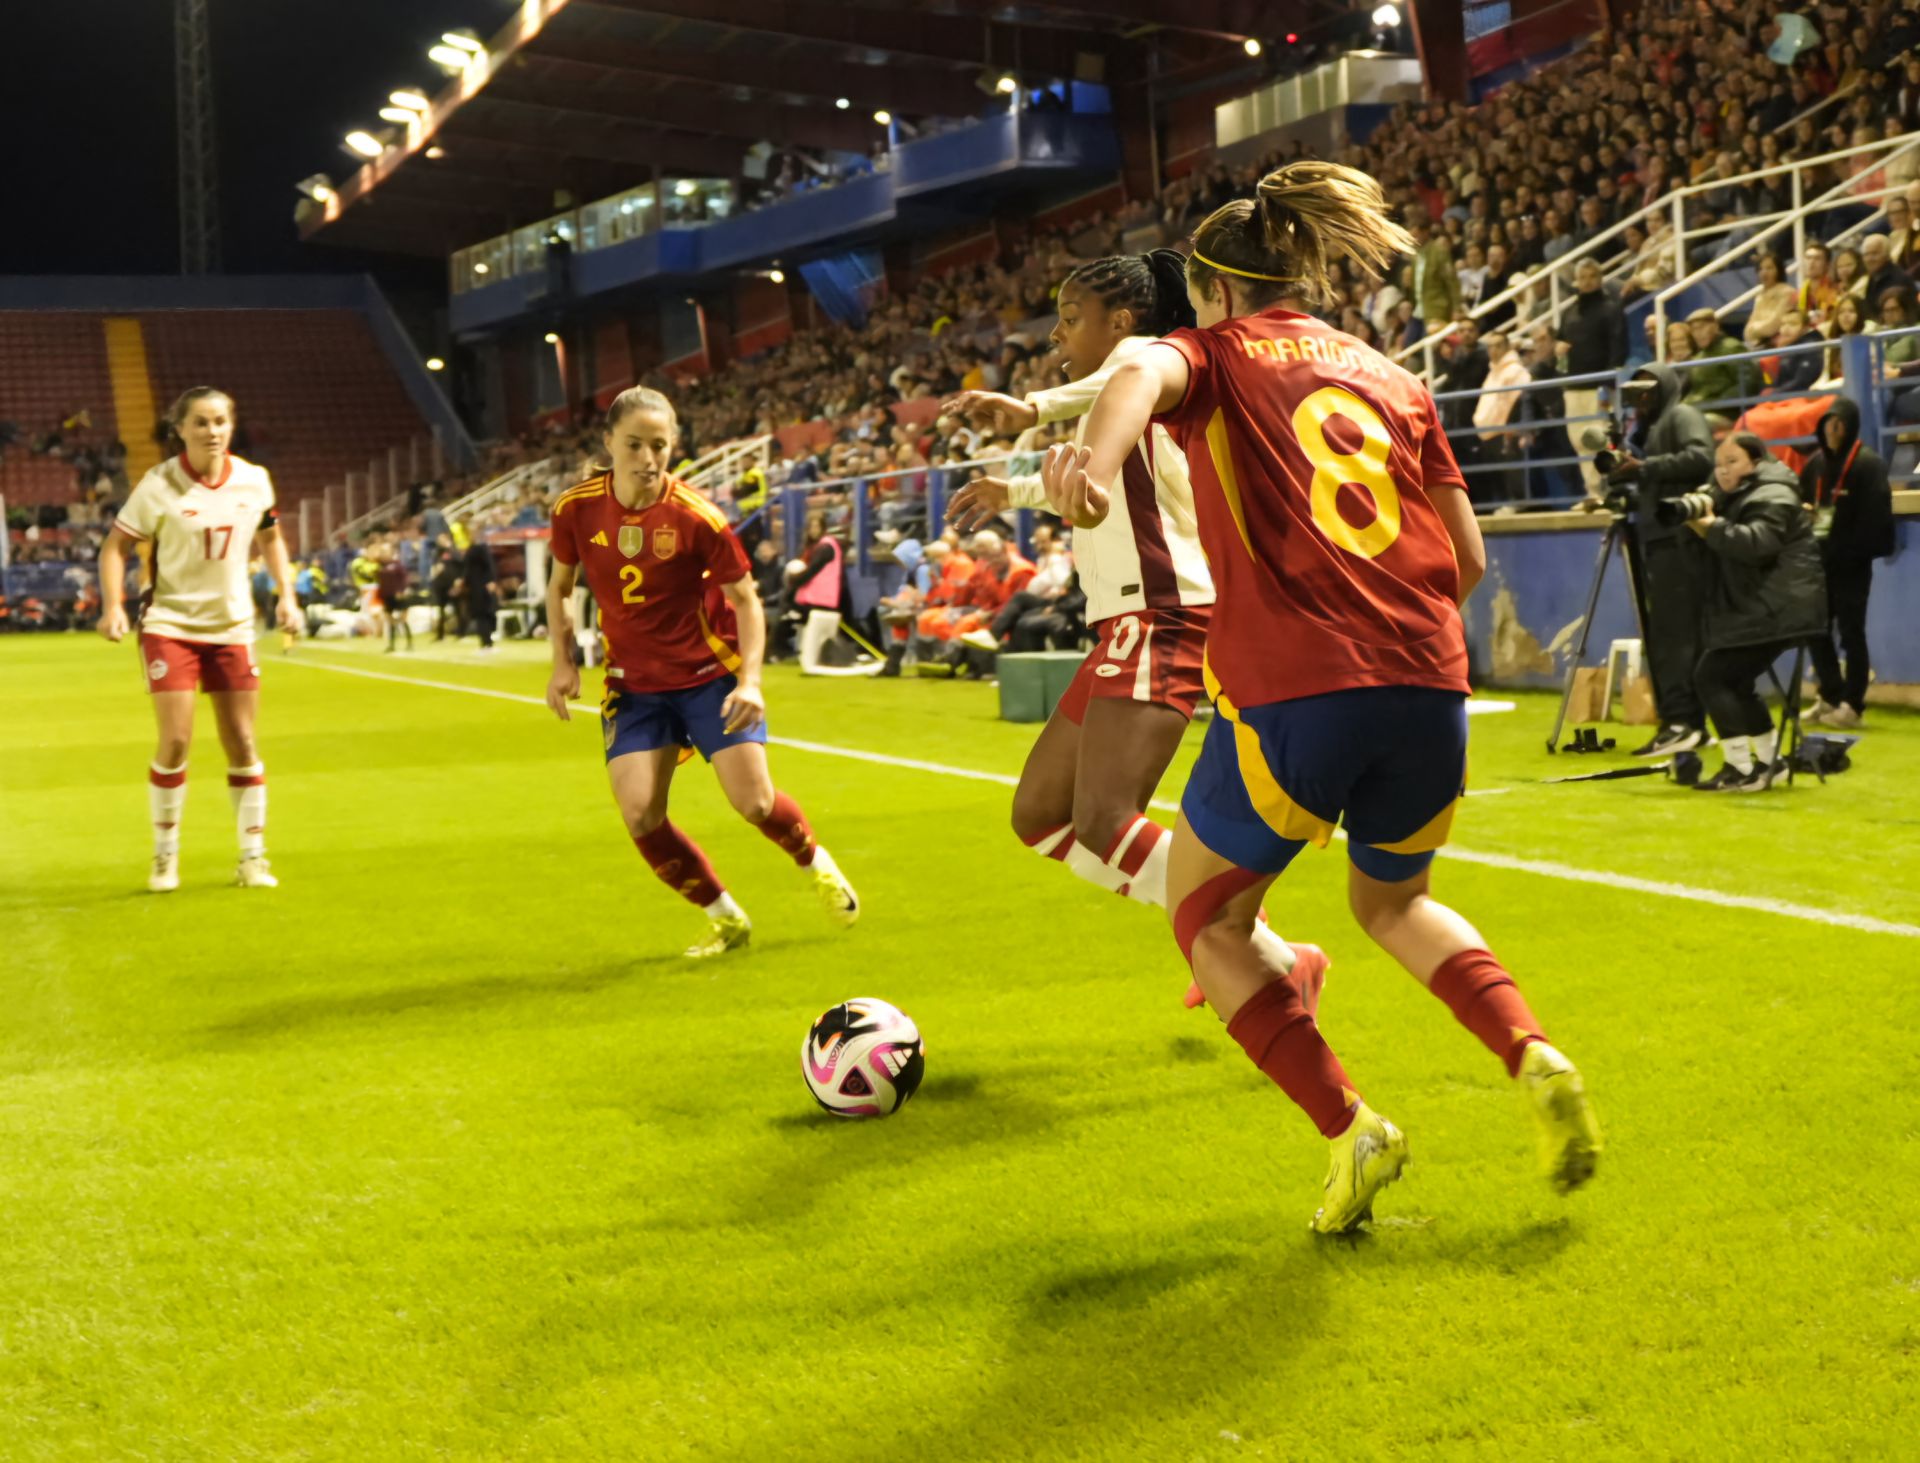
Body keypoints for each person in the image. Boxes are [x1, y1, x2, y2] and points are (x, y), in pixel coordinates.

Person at [1040, 161, 1599, 1233]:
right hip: (1431, 681)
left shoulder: (1210, 351)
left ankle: (1354, 1130)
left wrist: (1095, 465)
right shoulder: (1394, 376)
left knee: (1208, 915)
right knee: (1393, 900)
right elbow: (1466, 555)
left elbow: (1136, 375)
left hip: (1298, 685)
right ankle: (1533, 1048)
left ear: (1212, 288)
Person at [943, 250, 1324, 1002]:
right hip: (1128, 620)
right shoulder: (1121, 395)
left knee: (1104, 818)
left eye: (1071, 316)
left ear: (1120, 320)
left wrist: (1032, 406)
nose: (1056, 332)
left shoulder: (1142, 362)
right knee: (1041, 814)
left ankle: (1261, 957)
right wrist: (1015, 486)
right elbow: (1093, 487)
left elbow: (1117, 382)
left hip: (1164, 613)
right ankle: (1253, 943)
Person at [542, 386, 859, 958]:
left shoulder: (697, 517)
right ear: (609, 442)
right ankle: (725, 916)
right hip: (633, 687)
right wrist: (563, 661)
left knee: (755, 805)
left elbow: (746, 599)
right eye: (634, 444)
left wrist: (751, 681)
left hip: (708, 679)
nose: (647, 457)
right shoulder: (575, 508)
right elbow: (560, 588)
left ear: (673, 448)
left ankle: (819, 864)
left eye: (658, 445)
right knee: (640, 813)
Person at [95, 387, 300, 892]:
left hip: (232, 627)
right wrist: (113, 606)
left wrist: (286, 596)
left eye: (220, 422)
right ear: (180, 429)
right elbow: (115, 547)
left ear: (232, 426)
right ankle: (166, 857)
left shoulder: (254, 481)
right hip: (171, 625)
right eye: (201, 423)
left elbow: (271, 537)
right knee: (176, 740)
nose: (212, 431)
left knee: (244, 741)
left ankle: (252, 857)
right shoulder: (159, 484)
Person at [1687, 435, 1828, 792]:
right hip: (1766, 606)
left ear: (1755, 462)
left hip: (1779, 608)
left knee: (1712, 676)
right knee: (1734, 680)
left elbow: (1755, 545)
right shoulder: (1741, 494)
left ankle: (1740, 767)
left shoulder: (1772, 495)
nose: (1722, 470)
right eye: (1719, 463)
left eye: (1732, 461)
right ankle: (1769, 764)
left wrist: (1710, 527)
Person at [1599, 363, 1715, 758]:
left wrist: (1645, 467)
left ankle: (1682, 721)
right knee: (1670, 637)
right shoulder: (1650, 430)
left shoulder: (1680, 416)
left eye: (1647, 391)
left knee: (1674, 638)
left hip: (1679, 543)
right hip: (1662, 540)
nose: (1640, 399)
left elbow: (1701, 458)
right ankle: (1687, 720)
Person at [1798, 400, 1894, 729]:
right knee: (1815, 629)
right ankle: (1830, 695)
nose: (1833, 429)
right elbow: (1801, 504)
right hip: (1817, 563)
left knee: (1852, 634)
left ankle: (1853, 704)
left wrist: (1852, 548)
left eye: (1839, 423)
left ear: (1851, 426)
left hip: (1851, 565)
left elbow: (1877, 517)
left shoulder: (1869, 465)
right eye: (1828, 423)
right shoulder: (1815, 464)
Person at [377, 546, 412, 653]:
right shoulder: (381, 566)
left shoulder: (398, 565)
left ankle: (409, 643)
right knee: (390, 621)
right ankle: (391, 645)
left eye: (385, 551)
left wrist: (402, 590)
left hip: (398, 596)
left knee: (403, 619)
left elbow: (404, 579)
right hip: (387, 596)